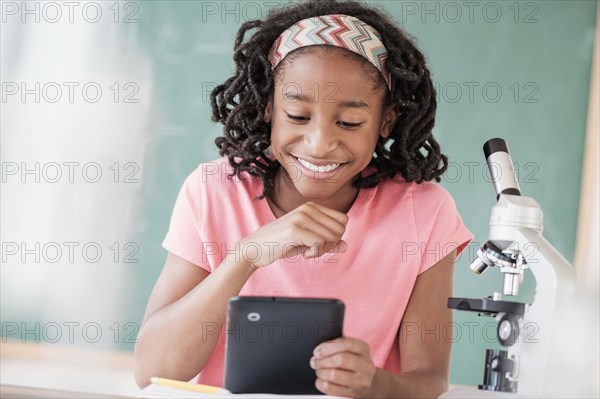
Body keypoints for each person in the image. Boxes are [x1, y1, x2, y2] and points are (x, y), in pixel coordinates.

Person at [134, 1, 473, 397]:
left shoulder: (424, 211)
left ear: (387, 121)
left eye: (349, 122)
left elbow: (429, 379)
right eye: (297, 115)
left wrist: (374, 384)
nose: (320, 144)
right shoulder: (213, 191)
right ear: (268, 107)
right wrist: (244, 258)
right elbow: (152, 370)